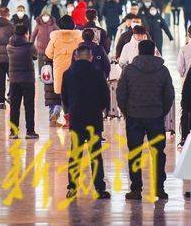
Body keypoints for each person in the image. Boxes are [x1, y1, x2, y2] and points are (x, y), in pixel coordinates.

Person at [116, 40, 174, 201]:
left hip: (134, 117)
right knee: (158, 153)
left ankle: (135, 190)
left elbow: (120, 93)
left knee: (135, 153)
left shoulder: (129, 70)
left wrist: (126, 112)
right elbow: (169, 94)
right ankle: (159, 189)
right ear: (154, 51)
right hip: (155, 116)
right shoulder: (163, 70)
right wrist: (162, 111)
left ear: (139, 52)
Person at [61, 44, 111, 200]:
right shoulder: (98, 73)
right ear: (90, 57)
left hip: (76, 118)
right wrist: (101, 109)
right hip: (93, 118)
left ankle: (73, 188)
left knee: (75, 154)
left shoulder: (68, 73)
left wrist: (70, 110)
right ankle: (99, 188)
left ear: (75, 56)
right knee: (95, 154)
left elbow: (64, 97)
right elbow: (105, 96)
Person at [45, 15, 83, 126]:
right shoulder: (79, 38)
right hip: (75, 71)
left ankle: (65, 119)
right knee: (75, 96)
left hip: (60, 72)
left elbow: (48, 54)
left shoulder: (55, 39)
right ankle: (72, 120)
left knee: (63, 96)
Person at [6, 23, 39, 139]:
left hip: (14, 80)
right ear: (26, 33)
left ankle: (13, 132)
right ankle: (30, 132)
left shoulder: (9, 46)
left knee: (14, 107)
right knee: (29, 106)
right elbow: (36, 55)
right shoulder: (30, 46)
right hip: (28, 79)